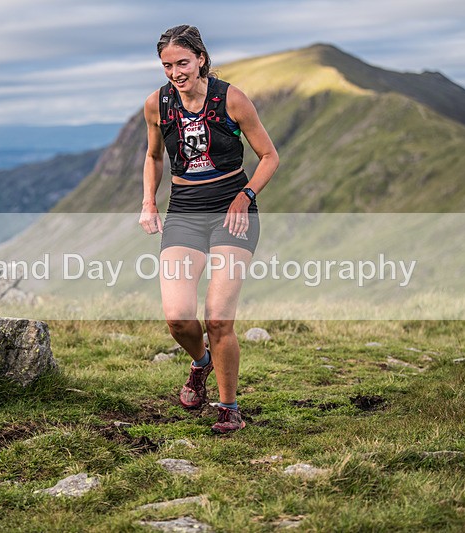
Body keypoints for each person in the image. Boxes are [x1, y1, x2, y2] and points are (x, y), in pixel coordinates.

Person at [140, 25, 279, 433]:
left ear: (201, 58)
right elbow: (153, 157)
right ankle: (200, 363)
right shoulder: (157, 104)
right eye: (167, 65)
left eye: (182, 63)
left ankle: (228, 407)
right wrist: (149, 201)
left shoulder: (230, 99)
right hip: (184, 211)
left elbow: (269, 156)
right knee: (178, 319)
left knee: (218, 319)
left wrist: (246, 195)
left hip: (233, 212)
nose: (174, 73)